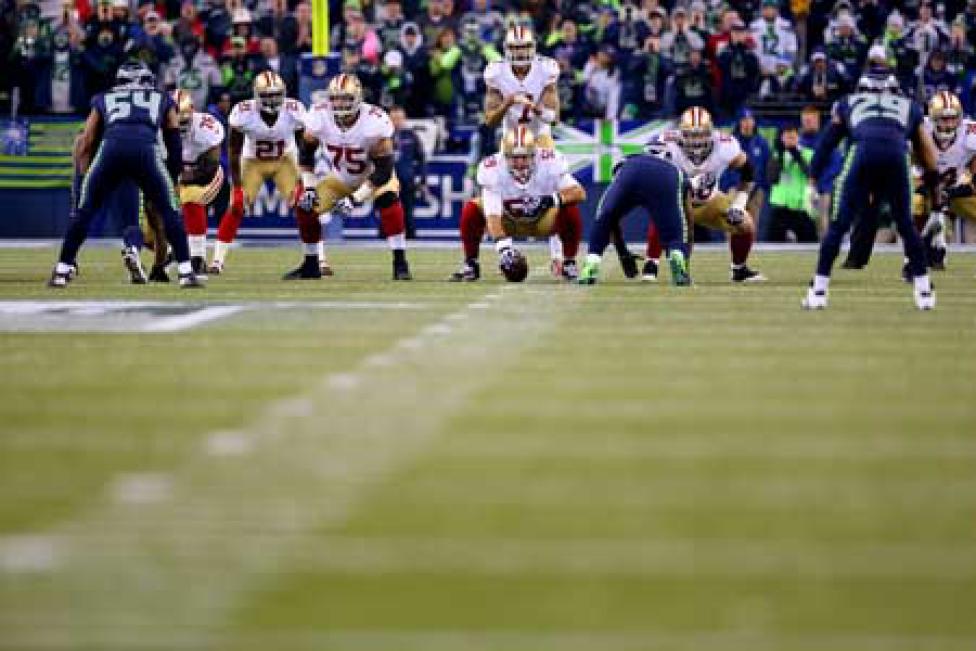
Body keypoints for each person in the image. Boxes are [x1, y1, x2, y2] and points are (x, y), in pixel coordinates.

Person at [48, 61, 202, 289]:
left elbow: (86, 141)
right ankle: (186, 272)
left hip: (110, 149)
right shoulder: (161, 98)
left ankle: (62, 270)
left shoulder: (104, 98)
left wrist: (82, 179)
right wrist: (172, 176)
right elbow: (173, 141)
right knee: (170, 211)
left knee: (84, 211)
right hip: (146, 151)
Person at [801, 71, 940, 310]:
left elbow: (826, 144)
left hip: (862, 154)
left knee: (839, 225)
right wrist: (935, 196)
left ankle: (818, 291)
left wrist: (812, 180)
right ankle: (924, 291)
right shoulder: (909, 106)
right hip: (897, 157)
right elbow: (929, 157)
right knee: (906, 226)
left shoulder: (848, 103)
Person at [296, 73, 413, 280]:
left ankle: (400, 262)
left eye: (346, 98)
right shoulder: (318, 115)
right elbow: (305, 156)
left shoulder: (374, 120)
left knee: (388, 199)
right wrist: (309, 188)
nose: (340, 104)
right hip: (340, 177)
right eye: (336, 98)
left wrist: (355, 198)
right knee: (305, 206)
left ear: (358, 98)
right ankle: (311, 263)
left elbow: (384, 171)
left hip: (373, 176)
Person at [642, 106, 766, 283]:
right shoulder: (666, 144)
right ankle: (651, 263)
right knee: (662, 208)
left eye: (701, 134)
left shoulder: (725, 145)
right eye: (691, 134)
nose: (696, 140)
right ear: (680, 133)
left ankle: (739, 269)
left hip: (710, 200)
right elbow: (651, 174)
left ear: (711, 132)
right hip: (678, 202)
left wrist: (739, 203)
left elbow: (748, 172)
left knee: (745, 223)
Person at [449, 126, 585, 282]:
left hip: (542, 220)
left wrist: (549, 201)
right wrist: (504, 250)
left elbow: (579, 192)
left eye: (525, 157)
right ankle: (471, 264)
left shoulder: (550, 162)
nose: (520, 163)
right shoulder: (492, 169)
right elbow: (492, 215)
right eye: (514, 158)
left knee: (570, 207)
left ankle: (568, 262)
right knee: (472, 208)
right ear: (504, 156)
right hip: (508, 220)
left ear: (534, 154)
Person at [211, 71, 305, 274]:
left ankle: (318, 259)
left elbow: (303, 146)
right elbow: (234, 151)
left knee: (304, 204)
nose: (272, 100)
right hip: (252, 161)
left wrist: (302, 180)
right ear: (256, 95)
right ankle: (217, 261)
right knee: (236, 206)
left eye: (276, 94)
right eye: (267, 95)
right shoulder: (243, 113)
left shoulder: (295, 110)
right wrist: (236, 187)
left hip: (284, 161)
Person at [578, 146, 692, 286]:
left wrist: (622, 252)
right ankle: (677, 256)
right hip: (666, 176)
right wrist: (682, 245)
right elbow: (687, 217)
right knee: (675, 233)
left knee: (604, 217)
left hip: (631, 170)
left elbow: (612, 219)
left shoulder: (629, 159)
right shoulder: (676, 170)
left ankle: (592, 261)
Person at [766, 124, 818, 242]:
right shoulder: (776, 154)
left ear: (798, 138)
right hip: (780, 206)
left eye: (793, 137)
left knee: (810, 243)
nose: (790, 140)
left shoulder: (808, 154)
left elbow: (811, 174)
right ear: (782, 139)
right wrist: (779, 157)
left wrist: (797, 155)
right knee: (773, 244)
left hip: (801, 207)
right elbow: (772, 179)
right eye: (787, 138)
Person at [389, 105, 425, 239]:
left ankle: (410, 238)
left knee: (408, 211)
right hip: (387, 181)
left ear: (404, 119)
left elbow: (421, 158)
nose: (397, 121)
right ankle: (383, 241)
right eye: (394, 119)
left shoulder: (411, 136)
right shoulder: (383, 137)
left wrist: (422, 179)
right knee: (387, 212)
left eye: (399, 118)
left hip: (407, 180)